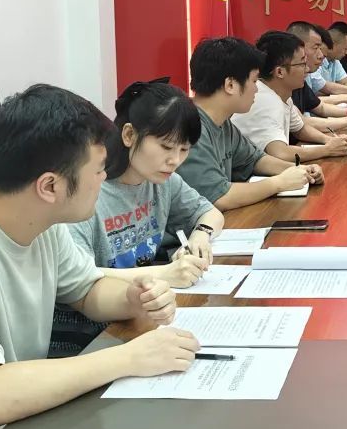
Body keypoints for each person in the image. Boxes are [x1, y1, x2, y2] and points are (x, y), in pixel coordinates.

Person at [0, 85, 197, 429]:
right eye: (98, 170)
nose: (105, 179)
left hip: (26, 422)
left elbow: (86, 289)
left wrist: (132, 299)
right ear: (50, 186)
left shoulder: (40, 220)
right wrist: (129, 358)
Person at [52, 79, 226, 356]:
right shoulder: (88, 191)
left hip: (134, 319)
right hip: (84, 338)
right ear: (130, 135)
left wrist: (201, 235)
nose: (175, 160)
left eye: (184, 150)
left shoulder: (162, 181)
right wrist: (165, 273)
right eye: (166, 147)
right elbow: (77, 277)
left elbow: (210, 212)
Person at [177, 37, 322, 211]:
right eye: (254, 81)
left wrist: (301, 170)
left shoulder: (223, 123)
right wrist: (279, 183)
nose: (256, 89)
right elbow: (218, 197)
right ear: (230, 85)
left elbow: (255, 159)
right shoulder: (191, 128)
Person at [232, 31, 347, 162]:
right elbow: (280, 153)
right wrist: (327, 150)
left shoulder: (282, 93)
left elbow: (300, 129)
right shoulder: (263, 100)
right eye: (302, 64)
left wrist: (330, 140)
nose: (307, 69)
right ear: (280, 72)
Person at [287, 21, 347, 110]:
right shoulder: (308, 68)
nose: (320, 56)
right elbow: (316, 100)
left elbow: (316, 105)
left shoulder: (334, 61)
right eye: (316, 48)